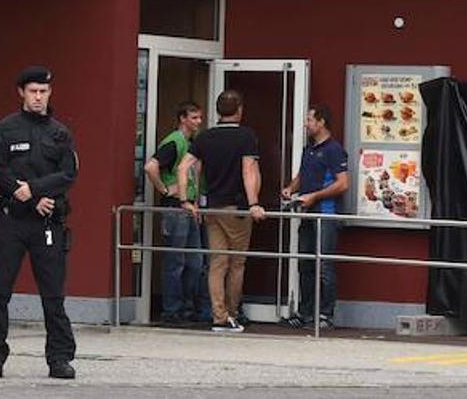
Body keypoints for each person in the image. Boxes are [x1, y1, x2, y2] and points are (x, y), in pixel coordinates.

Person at [0, 66, 79, 380]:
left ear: (50, 93)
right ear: (21, 92)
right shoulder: (6, 129)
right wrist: (24, 195)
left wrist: (34, 191)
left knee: (53, 294)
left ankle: (59, 358)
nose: (38, 97)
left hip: (47, 221)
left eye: (44, 91)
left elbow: (67, 174)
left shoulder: (60, 132)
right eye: (33, 91)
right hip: (11, 220)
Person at [179, 89, 266, 333]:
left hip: (212, 206)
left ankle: (218, 316)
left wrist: (187, 200)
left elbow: (184, 167)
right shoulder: (246, 136)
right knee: (237, 263)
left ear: (218, 110)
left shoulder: (205, 137)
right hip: (237, 208)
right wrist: (254, 204)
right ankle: (231, 313)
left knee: (217, 263)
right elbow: (248, 169)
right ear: (239, 110)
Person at [281, 105, 350, 330]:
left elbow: (343, 183)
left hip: (326, 213)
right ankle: (306, 311)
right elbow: (302, 174)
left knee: (324, 266)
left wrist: (314, 196)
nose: (306, 124)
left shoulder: (334, 150)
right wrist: (291, 189)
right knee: (305, 265)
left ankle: (325, 314)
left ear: (321, 122)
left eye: (310, 119)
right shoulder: (309, 149)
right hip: (308, 212)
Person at [143, 101, 210, 324]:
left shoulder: (191, 143)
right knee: (176, 261)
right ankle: (172, 310)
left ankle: (187, 307)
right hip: (175, 207)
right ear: (182, 119)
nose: (198, 122)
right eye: (194, 118)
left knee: (195, 262)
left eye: (200, 118)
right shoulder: (174, 142)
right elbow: (151, 166)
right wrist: (164, 189)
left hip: (189, 206)